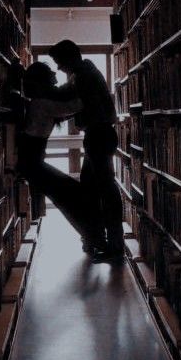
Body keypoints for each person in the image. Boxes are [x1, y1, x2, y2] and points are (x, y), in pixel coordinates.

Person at [17, 61, 108, 253]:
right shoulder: (41, 104)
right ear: (43, 81)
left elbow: (65, 110)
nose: (56, 79)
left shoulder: (40, 102)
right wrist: (89, 86)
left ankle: (92, 237)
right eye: (51, 76)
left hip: (32, 163)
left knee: (68, 199)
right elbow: (75, 106)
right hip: (32, 165)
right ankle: (93, 237)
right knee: (71, 197)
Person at [47, 40, 124, 262]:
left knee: (104, 190)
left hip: (98, 135)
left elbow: (69, 99)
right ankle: (98, 239)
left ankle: (113, 246)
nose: (59, 68)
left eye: (59, 62)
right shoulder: (86, 72)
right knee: (92, 188)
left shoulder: (83, 76)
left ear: (69, 59)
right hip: (99, 135)